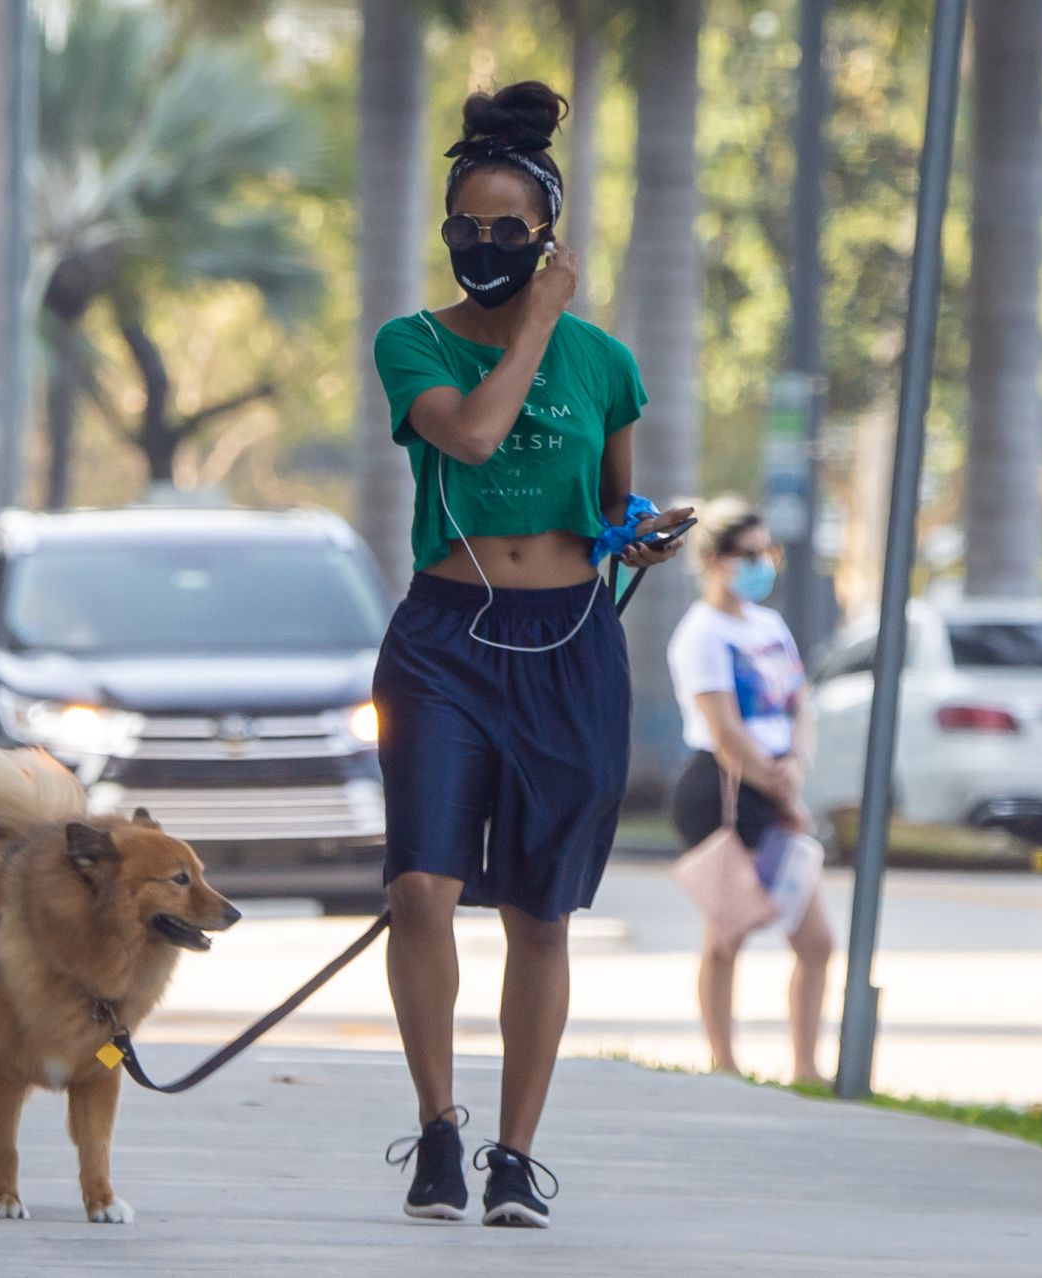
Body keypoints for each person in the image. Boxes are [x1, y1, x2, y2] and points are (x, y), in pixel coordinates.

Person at [368, 79, 691, 1229]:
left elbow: (610, 510)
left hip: (567, 648)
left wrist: (637, 538)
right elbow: (471, 434)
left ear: (548, 234)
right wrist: (538, 319)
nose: (486, 246)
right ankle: (438, 1130)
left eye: (510, 229)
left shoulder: (607, 363)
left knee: (541, 913)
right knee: (421, 888)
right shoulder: (412, 344)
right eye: (467, 226)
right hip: (444, 645)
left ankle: (515, 1155)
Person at [665, 496, 834, 1085]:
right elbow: (724, 731)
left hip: (778, 782)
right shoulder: (700, 633)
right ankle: (724, 1063)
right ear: (713, 559)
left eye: (769, 552)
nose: (762, 564)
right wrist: (780, 792)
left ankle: (807, 1068)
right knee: (727, 933)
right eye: (749, 553)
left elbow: (799, 703)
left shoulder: (769, 626)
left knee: (816, 940)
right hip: (725, 791)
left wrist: (796, 764)